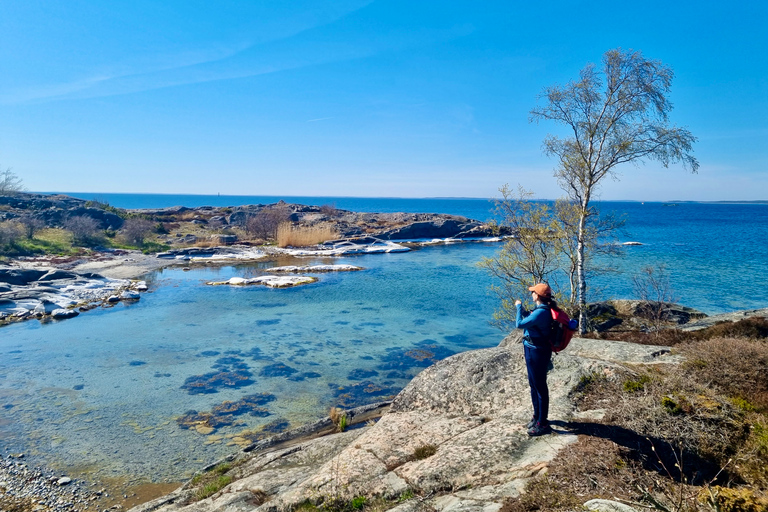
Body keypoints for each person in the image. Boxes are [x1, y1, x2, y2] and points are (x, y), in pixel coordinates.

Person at [515, 283, 555, 436]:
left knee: (540, 386)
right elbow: (531, 321)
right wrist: (525, 312)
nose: (531, 294)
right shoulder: (540, 311)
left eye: (533, 292)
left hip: (537, 352)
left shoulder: (541, 313)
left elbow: (519, 324)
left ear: (538, 296)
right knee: (533, 384)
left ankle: (543, 423)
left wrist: (518, 307)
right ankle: (537, 417)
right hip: (532, 349)